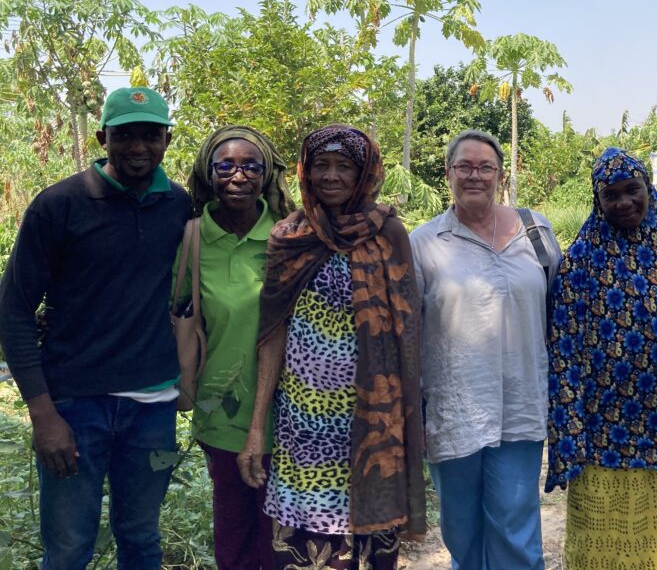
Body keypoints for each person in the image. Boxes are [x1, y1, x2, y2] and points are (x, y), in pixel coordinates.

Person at [0, 87, 191, 570]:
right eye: (125, 135)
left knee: (142, 537)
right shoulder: (58, 205)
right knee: (68, 548)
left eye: (150, 135)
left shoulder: (177, 204)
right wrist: (43, 414)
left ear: (166, 140)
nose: (138, 147)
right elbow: (14, 309)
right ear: (103, 138)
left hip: (153, 407)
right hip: (74, 406)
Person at [236, 124, 425, 570]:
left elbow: (408, 333)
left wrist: (412, 418)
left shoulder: (388, 233)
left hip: (374, 421)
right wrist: (257, 426)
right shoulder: (290, 237)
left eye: (345, 166)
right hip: (305, 425)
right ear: (306, 171)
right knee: (312, 550)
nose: (332, 176)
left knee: (371, 540)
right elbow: (272, 335)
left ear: (364, 173)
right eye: (321, 165)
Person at [545, 147, 657, 569]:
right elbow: (563, 353)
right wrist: (568, 434)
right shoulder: (579, 263)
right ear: (597, 201)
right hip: (601, 436)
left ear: (648, 189)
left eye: (632, 189)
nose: (623, 202)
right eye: (611, 195)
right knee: (598, 545)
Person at [410, 129, 560, 570]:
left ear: (500, 175)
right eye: (465, 166)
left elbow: (559, 308)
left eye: (485, 167)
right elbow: (407, 331)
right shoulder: (424, 243)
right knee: (462, 531)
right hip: (453, 408)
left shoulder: (535, 231)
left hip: (520, 404)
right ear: (448, 173)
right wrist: (410, 411)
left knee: (516, 531)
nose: (475, 175)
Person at [173, 125, 295, 569]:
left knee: (280, 544)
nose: (238, 176)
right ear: (209, 174)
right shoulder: (192, 239)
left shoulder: (289, 236)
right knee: (234, 538)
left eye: (251, 166)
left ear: (266, 175)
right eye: (225, 166)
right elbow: (174, 313)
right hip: (221, 411)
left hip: (292, 413)